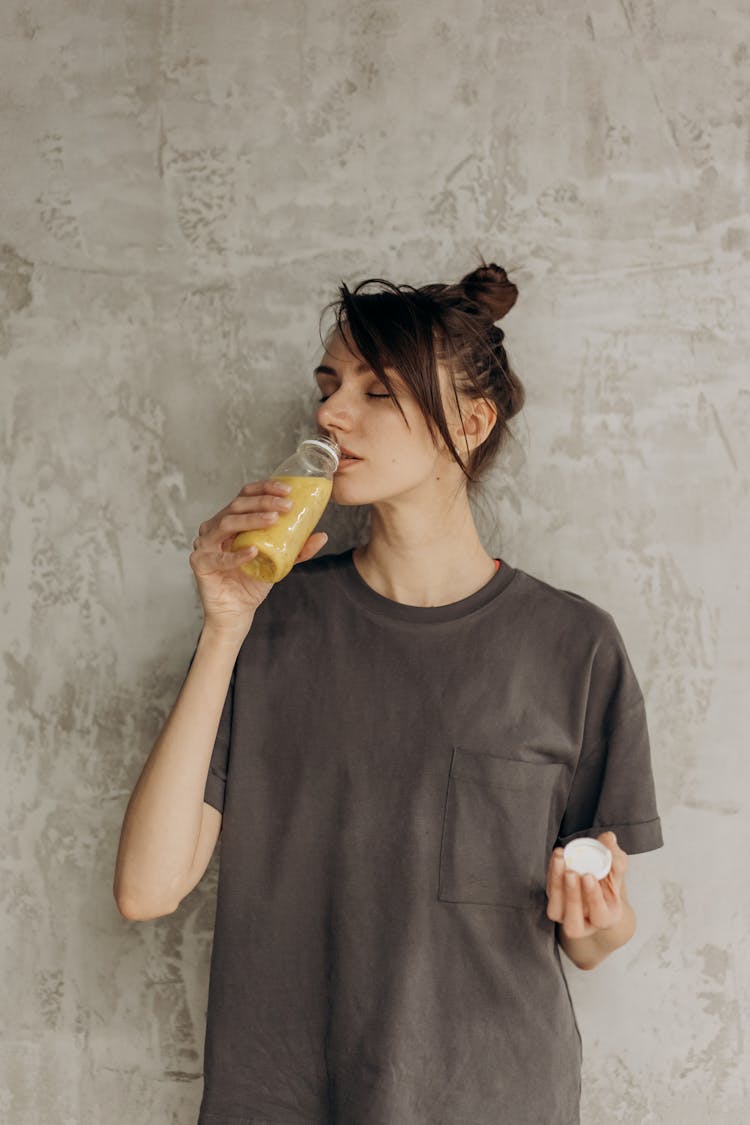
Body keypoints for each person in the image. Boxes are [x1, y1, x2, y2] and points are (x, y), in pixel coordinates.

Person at [113, 260, 663, 1125]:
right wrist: (224, 623)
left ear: (471, 423)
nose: (331, 413)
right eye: (330, 385)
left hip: (494, 1097)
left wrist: (596, 911)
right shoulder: (269, 623)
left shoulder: (574, 645)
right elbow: (147, 889)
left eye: (378, 391)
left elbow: (593, 943)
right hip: (286, 1096)